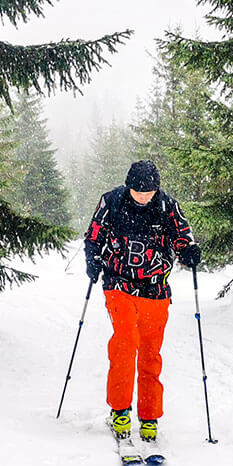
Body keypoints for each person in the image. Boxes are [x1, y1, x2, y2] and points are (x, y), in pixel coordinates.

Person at [84, 160, 201, 445]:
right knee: (125, 344)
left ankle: (149, 417)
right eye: (138, 191)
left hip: (155, 289)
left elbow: (182, 237)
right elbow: (94, 235)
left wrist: (189, 252)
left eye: (148, 192)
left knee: (150, 354)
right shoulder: (112, 201)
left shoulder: (166, 206)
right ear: (129, 186)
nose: (143, 197)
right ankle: (120, 410)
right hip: (119, 284)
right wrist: (93, 259)